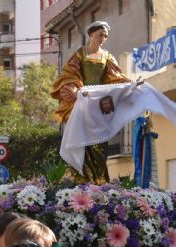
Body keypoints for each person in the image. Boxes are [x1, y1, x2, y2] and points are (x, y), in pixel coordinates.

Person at [50, 20, 130, 184]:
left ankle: (100, 180)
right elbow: (69, 74)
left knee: (100, 145)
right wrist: (73, 88)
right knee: (81, 143)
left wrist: (130, 85)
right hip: (82, 104)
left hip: (98, 108)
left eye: (105, 36)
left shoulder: (107, 57)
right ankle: (81, 178)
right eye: (101, 34)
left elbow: (115, 78)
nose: (103, 38)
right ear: (92, 34)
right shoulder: (80, 54)